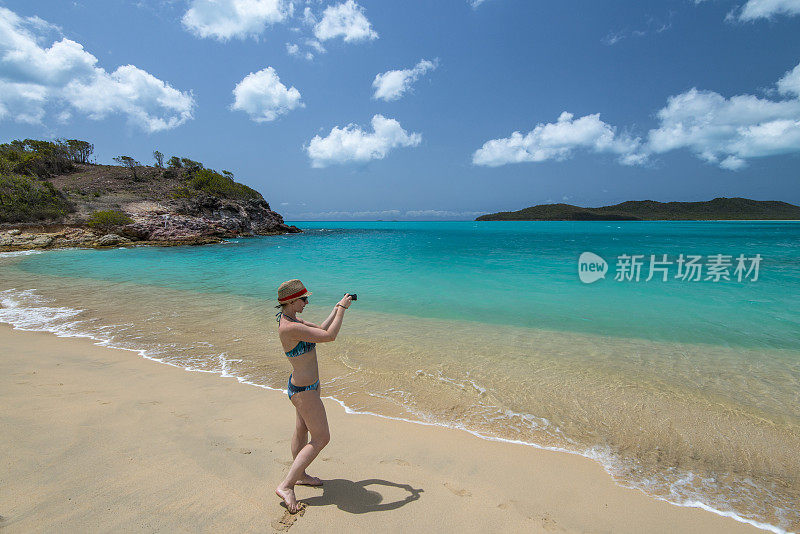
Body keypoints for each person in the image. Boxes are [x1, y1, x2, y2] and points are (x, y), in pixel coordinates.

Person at [273, 279, 353, 513]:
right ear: (290, 301)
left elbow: (320, 330)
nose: (307, 302)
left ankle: (300, 475)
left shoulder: (292, 320)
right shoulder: (289, 328)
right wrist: (344, 311)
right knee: (321, 438)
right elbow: (329, 336)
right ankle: (286, 485)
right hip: (304, 391)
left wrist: (337, 308)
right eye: (303, 299)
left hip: (306, 387)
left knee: (301, 429)